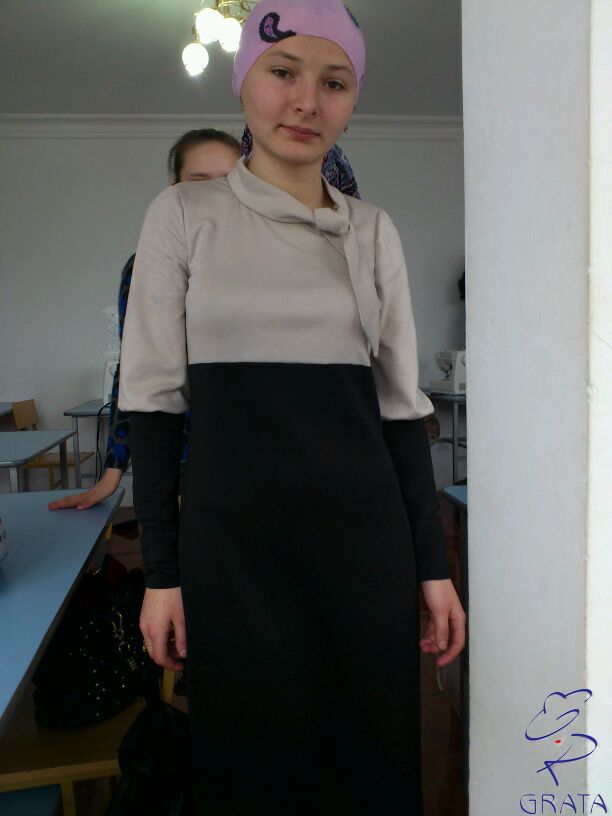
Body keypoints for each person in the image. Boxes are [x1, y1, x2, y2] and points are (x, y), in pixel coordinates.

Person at [118, 1, 466, 812]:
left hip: (365, 553)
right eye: (283, 72)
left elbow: (399, 411)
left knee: (371, 766)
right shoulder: (183, 217)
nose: (307, 101)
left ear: (352, 98)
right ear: (245, 80)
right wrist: (161, 574)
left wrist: (433, 566)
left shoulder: (371, 232)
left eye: (334, 83)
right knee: (252, 772)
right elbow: (153, 402)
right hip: (235, 556)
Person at [48, 128, 242, 512]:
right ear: (175, 191)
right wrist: (113, 468)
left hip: (264, 453)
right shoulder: (146, 268)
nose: (214, 195)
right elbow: (135, 368)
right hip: (182, 455)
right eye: (198, 182)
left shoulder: (270, 267)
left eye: (228, 182)